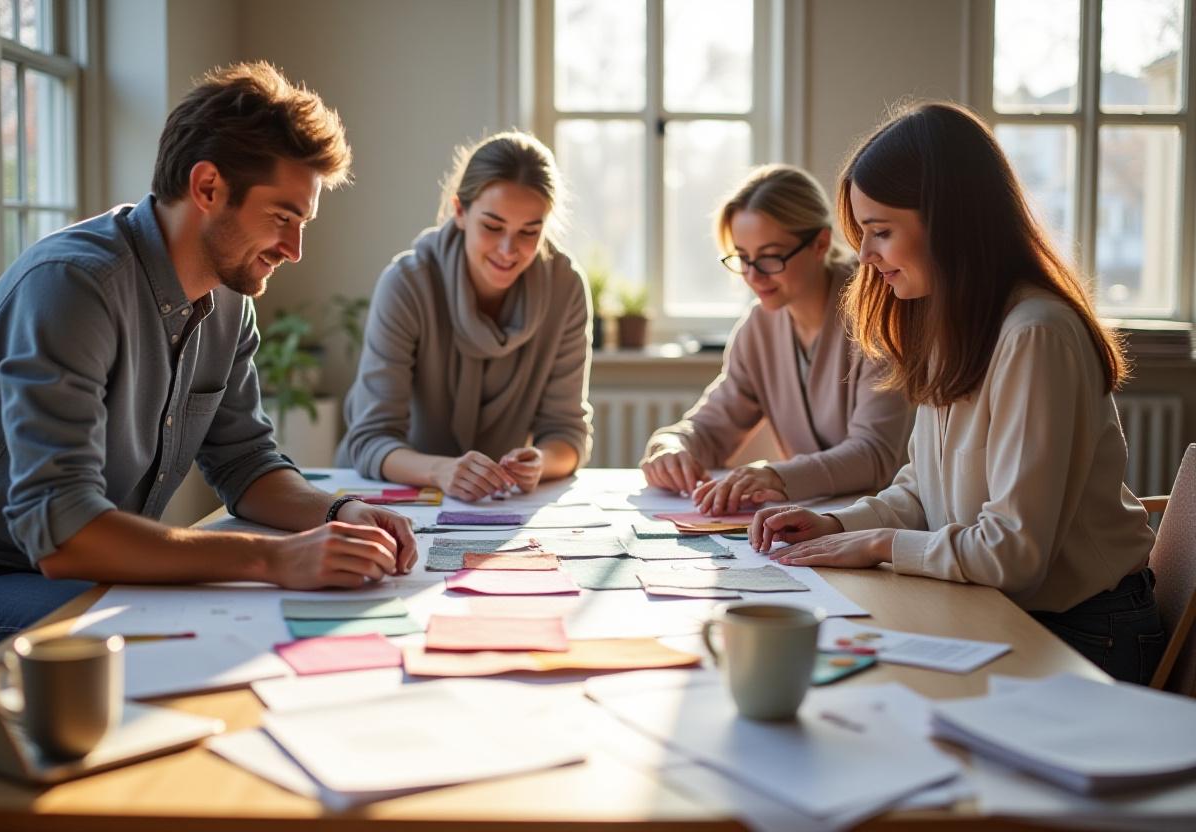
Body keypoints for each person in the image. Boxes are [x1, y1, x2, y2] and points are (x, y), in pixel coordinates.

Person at [0, 62, 416, 651]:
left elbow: (247, 465)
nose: (294, 249)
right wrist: (276, 559)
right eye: (283, 217)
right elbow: (63, 533)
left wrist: (339, 509)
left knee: (258, 619)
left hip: (81, 572)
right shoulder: (72, 286)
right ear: (208, 188)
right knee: (206, 633)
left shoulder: (229, 302)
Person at [750, 102, 1162, 684]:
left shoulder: (1035, 334)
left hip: (1085, 633)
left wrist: (878, 544)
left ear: (950, 222)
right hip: (1004, 609)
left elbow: (1011, 556)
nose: (864, 257)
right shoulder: (952, 324)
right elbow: (923, 490)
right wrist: (839, 526)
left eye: (881, 233)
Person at [640, 164, 913, 515]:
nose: (753, 276)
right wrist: (670, 447)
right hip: (810, 525)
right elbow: (710, 428)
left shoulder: (876, 314)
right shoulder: (759, 327)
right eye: (743, 257)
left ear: (820, 244)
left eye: (770, 257)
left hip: (885, 524)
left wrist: (775, 476)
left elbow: (873, 455)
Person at [336, 132, 592, 502]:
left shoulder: (566, 289)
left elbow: (568, 436)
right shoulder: (406, 284)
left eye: (529, 232)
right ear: (460, 211)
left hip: (494, 504)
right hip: (389, 493)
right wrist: (441, 470)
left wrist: (539, 461)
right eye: (492, 226)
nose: (508, 250)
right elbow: (369, 440)